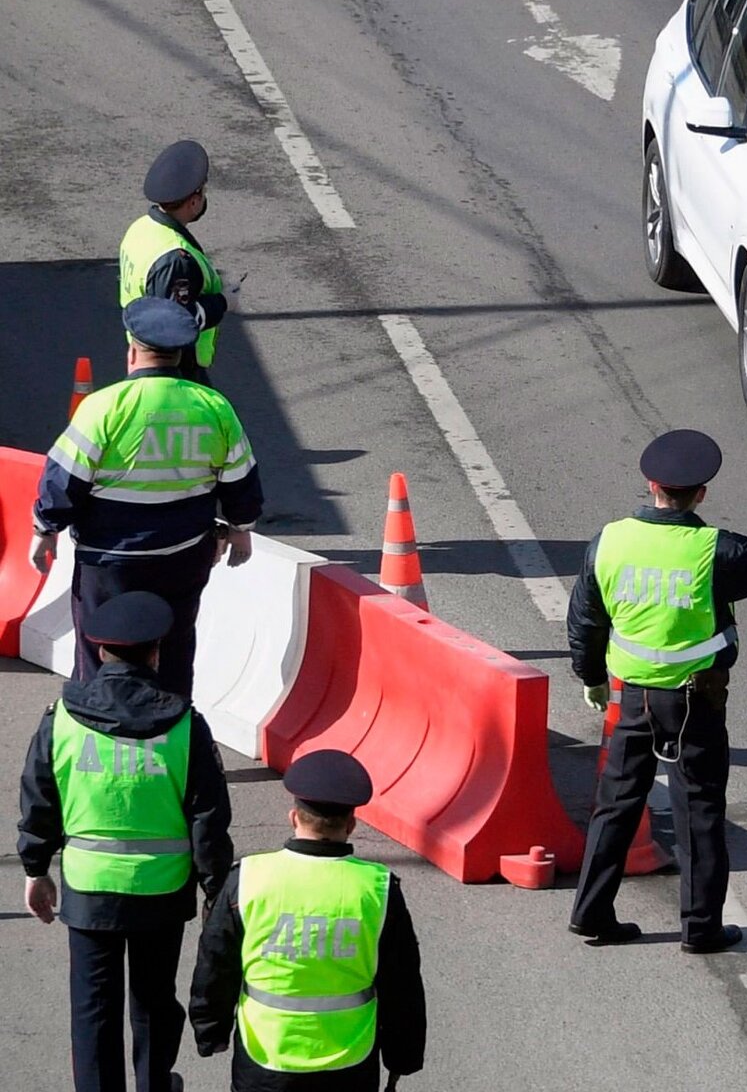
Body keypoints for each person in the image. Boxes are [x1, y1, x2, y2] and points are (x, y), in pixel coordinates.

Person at [566, 429, 747, 952]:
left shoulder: (610, 540)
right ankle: (700, 928)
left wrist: (592, 678)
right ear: (701, 494)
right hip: (695, 700)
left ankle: (591, 913)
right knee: (699, 809)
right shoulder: (713, 551)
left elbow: (585, 618)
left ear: (651, 485)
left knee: (616, 805)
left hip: (630, 696)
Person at [18, 590, 234, 1092]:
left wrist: (35, 868)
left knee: (93, 1008)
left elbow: (39, 798)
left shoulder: (63, 718)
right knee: (155, 1002)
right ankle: (155, 1084)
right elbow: (208, 817)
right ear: (156, 654)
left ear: (99, 652)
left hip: (90, 891)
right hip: (161, 892)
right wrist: (214, 890)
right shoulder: (184, 724)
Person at [29, 297, 264, 699]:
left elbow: (63, 481)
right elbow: (241, 480)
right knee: (174, 647)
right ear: (180, 354)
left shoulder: (103, 408)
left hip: (109, 560)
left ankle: (97, 727)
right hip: (184, 555)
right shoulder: (213, 407)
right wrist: (241, 530)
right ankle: (172, 738)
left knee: (99, 647)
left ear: (132, 350)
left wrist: (45, 529)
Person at [189, 749, 427, 1091]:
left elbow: (215, 961)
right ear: (351, 824)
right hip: (349, 1061)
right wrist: (402, 1056)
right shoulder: (378, 888)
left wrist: (210, 1030)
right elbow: (401, 981)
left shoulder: (250, 878)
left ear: (293, 818)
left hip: (266, 1057)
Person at [119, 139, 234, 385]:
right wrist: (223, 302)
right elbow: (176, 323)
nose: (205, 197)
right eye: (203, 192)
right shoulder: (175, 259)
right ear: (193, 202)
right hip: (173, 374)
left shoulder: (142, 228)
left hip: (142, 357)